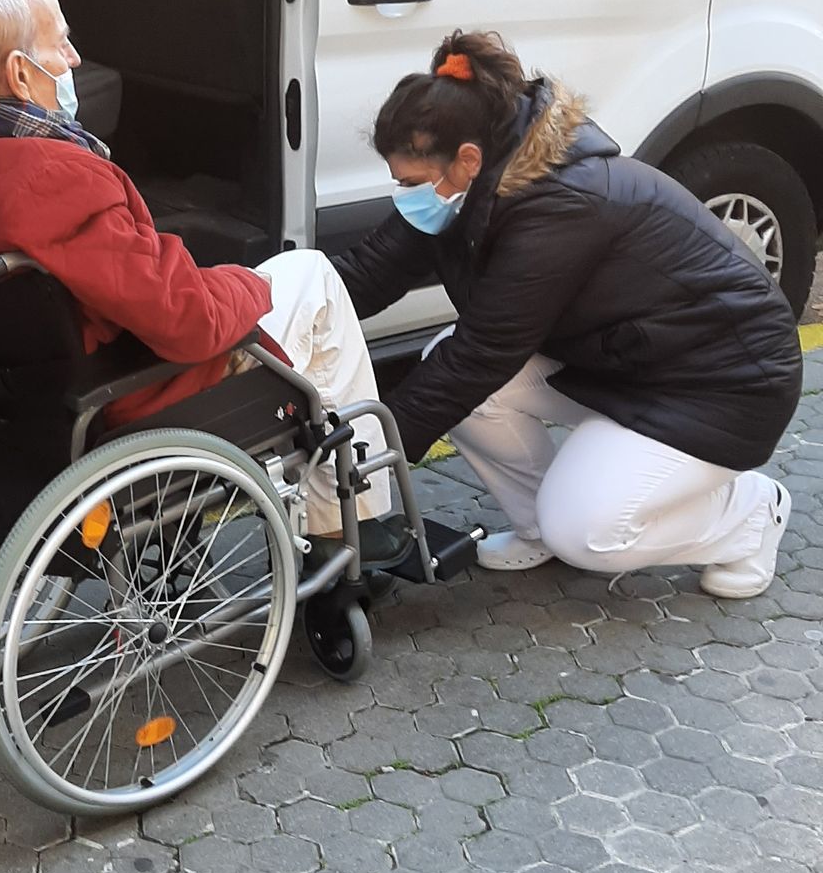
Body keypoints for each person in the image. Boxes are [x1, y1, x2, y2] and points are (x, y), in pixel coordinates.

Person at [0, 0, 391, 536]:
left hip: (5, 386)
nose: (73, 59)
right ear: (18, 73)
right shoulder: (54, 185)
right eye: (60, 43)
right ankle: (349, 529)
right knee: (310, 277)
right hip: (124, 396)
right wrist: (248, 286)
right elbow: (187, 322)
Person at [336, 29, 800, 595]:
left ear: (467, 159)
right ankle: (541, 530)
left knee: (589, 534)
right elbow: (370, 271)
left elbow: (484, 353)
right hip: (628, 363)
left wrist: (366, 468)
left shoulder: (562, 205)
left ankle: (747, 515)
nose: (403, 194)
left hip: (722, 385)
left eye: (409, 181)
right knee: (449, 370)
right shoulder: (467, 186)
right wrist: (259, 314)